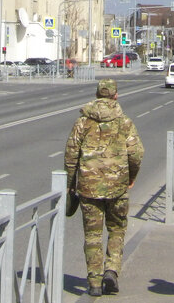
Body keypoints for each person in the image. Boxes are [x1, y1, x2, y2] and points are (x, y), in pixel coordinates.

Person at [64, 78, 144, 296]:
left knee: (92, 235)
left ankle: (94, 282)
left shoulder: (83, 122)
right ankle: (112, 270)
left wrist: (70, 185)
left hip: (88, 188)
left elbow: (71, 156)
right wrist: (130, 176)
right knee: (117, 228)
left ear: (98, 94)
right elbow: (136, 153)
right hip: (118, 187)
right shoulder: (124, 122)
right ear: (115, 96)